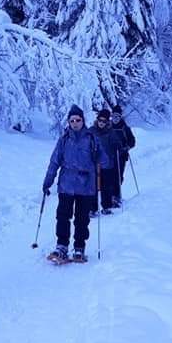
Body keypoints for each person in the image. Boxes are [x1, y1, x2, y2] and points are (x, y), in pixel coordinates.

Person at [42, 105, 99, 263]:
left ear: (83, 120)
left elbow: (103, 160)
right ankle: (61, 247)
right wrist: (48, 181)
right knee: (62, 216)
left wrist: (98, 156)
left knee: (81, 219)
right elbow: (54, 161)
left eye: (78, 120)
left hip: (86, 186)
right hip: (66, 184)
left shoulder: (92, 138)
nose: (75, 123)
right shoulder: (64, 139)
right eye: (72, 120)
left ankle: (79, 248)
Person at [90, 109, 126, 215]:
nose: (101, 123)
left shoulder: (111, 132)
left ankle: (106, 207)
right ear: (97, 120)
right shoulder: (91, 131)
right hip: (94, 163)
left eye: (104, 121)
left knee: (106, 186)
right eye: (100, 120)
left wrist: (118, 146)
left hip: (108, 163)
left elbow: (117, 143)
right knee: (94, 186)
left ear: (107, 122)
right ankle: (93, 209)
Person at [110, 104, 135, 206]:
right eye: (113, 116)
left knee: (118, 175)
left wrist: (126, 148)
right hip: (110, 156)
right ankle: (110, 195)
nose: (115, 119)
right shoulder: (109, 127)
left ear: (120, 117)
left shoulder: (125, 128)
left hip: (121, 156)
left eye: (117, 117)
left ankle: (117, 195)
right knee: (110, 176)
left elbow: (132, 141)